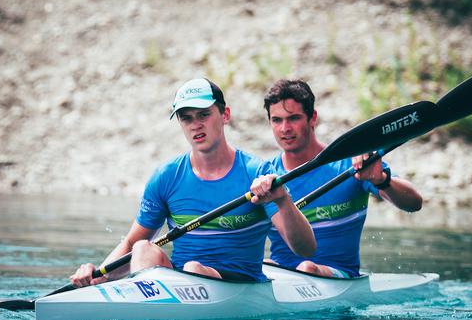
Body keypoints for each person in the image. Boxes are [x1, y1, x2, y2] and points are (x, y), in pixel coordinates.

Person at [70, 78, 315, 286]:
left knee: (195, 268)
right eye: (186, 118)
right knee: (144, 249)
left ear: (225, 115)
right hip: (184, 285)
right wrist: (96, 276)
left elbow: (305, 249)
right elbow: (131, 243)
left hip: (240, 285)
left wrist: (282, 199)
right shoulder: (166, 177)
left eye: (204, 114)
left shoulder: (257, 173)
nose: (196, 125)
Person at [263, 79, 422, 278]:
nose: (285, 128)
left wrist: (381, 180)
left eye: (293, 118)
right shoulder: (265, 177)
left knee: (307, 267)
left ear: (313, 118)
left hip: (337, 275)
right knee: (260, 264)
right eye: (277, 120)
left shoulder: (351, 163)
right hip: (282, 275)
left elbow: (414, 203)